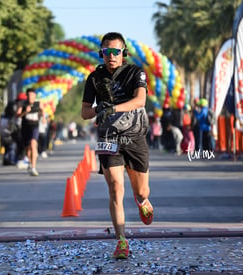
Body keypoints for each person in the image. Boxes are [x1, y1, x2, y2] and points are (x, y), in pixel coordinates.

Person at [81, 32, 154, 259]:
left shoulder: (135, 72)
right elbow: (84, 113)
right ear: (101, 53)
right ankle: (121, 241)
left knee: (141, 190)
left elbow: (140, 100)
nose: (111, 56)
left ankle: (142, 200)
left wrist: (113, 108)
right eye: (106, 52)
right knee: (115, 187)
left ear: (123, 53)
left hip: (134, 135)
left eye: (116, 51)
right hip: (108, 136)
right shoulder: (94, 78)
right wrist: (99, 109)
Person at [16, 88, 45, 176]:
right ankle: (29, 161)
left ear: (35, 95)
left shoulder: (38, 103)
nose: (30, 97)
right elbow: (18, 115)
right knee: (27, 149)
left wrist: (43, 118)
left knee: (33, 144)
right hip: (25, 127)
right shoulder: (23, 104)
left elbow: (43, 111)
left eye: (32, 95)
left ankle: (33, 167)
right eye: (29, 95)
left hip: (35, 126)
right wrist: (25, 112)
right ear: (27, 96)